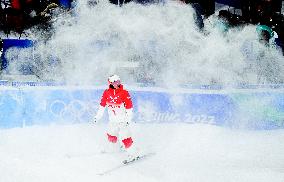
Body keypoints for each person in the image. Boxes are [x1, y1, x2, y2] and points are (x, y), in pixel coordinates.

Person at [94, 74, 139, 161]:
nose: (117, 84)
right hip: (113, 121)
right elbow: (102, 106)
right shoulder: (106, 92)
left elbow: (129, 107)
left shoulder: (124, 93)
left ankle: (133, 153)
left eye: (118, 81)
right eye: (115, 82)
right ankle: (117, 148)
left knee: (125, 138)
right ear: (110, 83)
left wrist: (128, 119)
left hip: (123, 120)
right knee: (111, 136)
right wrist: (98, 116)